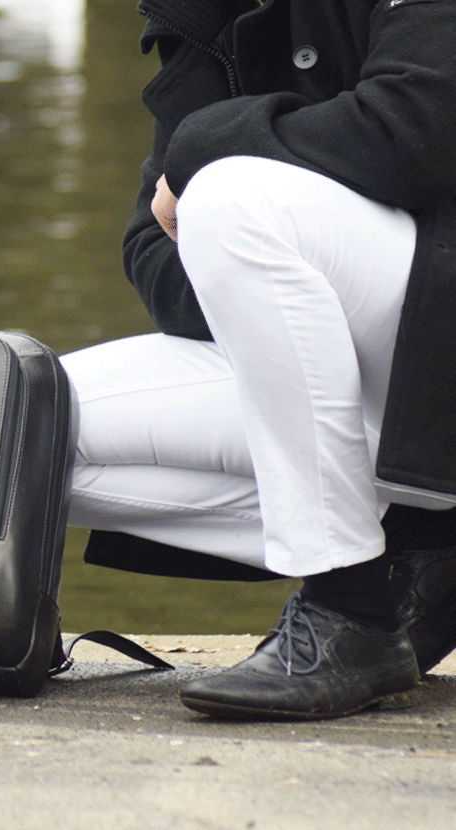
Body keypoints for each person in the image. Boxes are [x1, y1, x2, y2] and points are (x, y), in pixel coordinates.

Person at [59, 0, 456, 719]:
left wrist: (216, 157)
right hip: (373, 372)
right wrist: (265, 282)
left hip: (441, 349)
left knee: (233, 198)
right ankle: (417, 550)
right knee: (25, 427)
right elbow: (152, 249)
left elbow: (421, 127)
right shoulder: (203, 10)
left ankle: (348, 607)